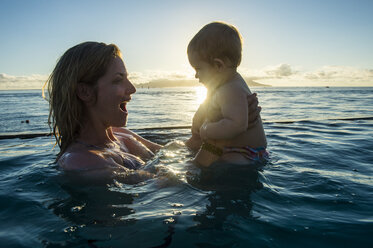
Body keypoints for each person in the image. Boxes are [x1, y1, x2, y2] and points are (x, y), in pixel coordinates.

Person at [43, 41, 261, 179]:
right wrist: (216, 143)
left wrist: (212, 126)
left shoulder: (122, 136)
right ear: (85, 92)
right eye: (119, 80)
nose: (132, 89)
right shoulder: (80, 161)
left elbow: (181, 152)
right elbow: (169, 186)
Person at [185, 22, 267, 167]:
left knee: (225, 163)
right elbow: (210, 106)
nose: (196, 75)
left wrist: (206, 130)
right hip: (242, 150)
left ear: (219, 65)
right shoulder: (225, 84)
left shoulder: (231, 89)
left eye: (198, 68)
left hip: (245, 153)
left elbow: (236, 125)